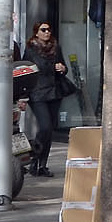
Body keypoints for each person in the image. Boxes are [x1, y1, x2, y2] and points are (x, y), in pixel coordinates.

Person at [23, 21, 69, 177]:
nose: (47, 32)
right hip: (37, 93)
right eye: (43, 30)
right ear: (36, 32)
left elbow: (64, 66)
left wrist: (63, 69)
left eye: (49, 29)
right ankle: (34, 158)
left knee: (49, 130)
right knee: (45, 127)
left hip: (54, 92)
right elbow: (25, 70)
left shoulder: (56, 47)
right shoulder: (30, 49)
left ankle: (42, 165)